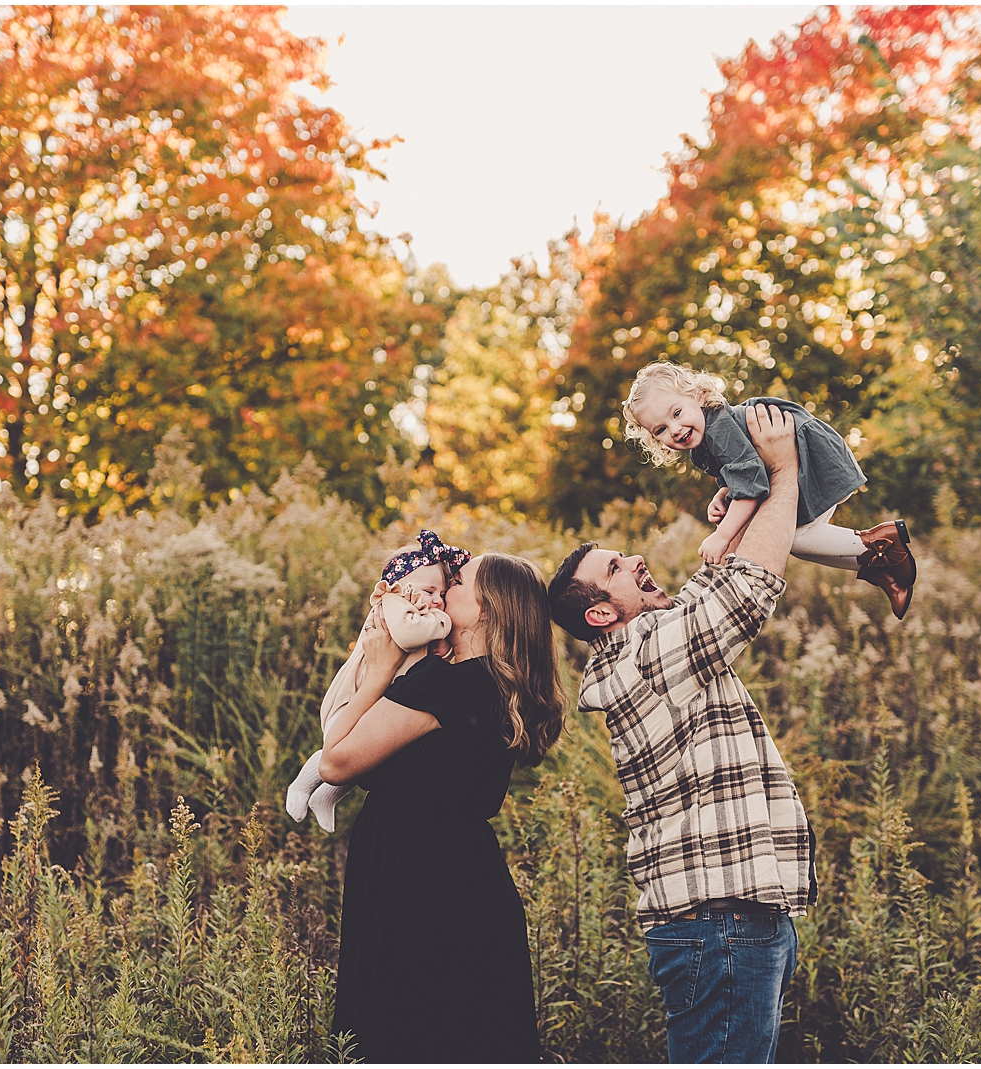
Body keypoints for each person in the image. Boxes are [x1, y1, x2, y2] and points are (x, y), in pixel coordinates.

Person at [547, 403, 811, 1063]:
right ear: (605, 612)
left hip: (729, 919)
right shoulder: (646, 649)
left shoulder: (649, 639)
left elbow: (720, 578)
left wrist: (741, 507)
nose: (635, 557)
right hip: (720, 922)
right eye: (614, 567)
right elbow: (749, 587)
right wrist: (783, 475)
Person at [320, 551, 563, 1063]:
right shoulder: (496, 685)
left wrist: (381, 669)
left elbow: (336, 762)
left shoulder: (445, 685)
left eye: (457, 584)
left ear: (488, 610)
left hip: (415, 878)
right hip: (467, 873)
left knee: (409, 1030)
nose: (441, 589)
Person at [622, 360, 918, 619]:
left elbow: (752, 487)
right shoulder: (705, 440)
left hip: (809, 458)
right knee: (792, 541)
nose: (673, 429)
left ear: (698, 396)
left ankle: (883, 543)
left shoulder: (718, 429)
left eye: (676, 413)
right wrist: (724, 493)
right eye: (660, 429)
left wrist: (722, 536)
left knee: (792, 537)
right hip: (802, 460)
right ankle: (882, 569)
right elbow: (744, 469)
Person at [285, 530, 470, 832]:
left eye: (442, 593)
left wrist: (441, 647)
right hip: (353, 698)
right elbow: (409, 635)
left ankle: (325, 798)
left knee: (367, 755)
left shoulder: (417, 610)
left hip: (379, 699)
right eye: (430, 591)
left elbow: (421, 652)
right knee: (342, 750)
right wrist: (443, 622)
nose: (438, 600)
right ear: (402, 584)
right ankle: (301, 787)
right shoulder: (394, 600)